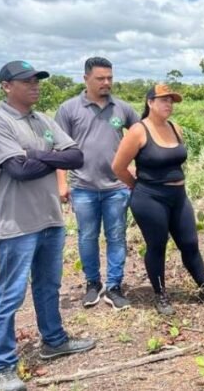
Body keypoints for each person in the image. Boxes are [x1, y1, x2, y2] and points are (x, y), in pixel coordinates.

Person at [0, 61, 95, 391]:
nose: (35, 85)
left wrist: (34, 154)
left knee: (48, 286)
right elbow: (18, 170)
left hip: (50, 218)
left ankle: (54, 340)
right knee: (9, 295)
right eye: (26, 81)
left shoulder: (43, 120)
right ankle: (4, 367)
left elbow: (76, 157)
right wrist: (44, 157)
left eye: (36, 80)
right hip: (17, 223)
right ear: (6, 85)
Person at [112, 84, 204, 316]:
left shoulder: (175, 128)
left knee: (190, 243)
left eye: (171, 101)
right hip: (150, 198)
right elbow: (118, 167)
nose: (168, 105)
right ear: (150, 102)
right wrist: (137, 186)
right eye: (163, 100)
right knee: (157, 245)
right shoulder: (138, 131)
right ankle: (160, 294)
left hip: (178, 196)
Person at [55, 57, 139, 310]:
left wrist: (134, 169)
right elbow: (58, 150)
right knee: (87, 237)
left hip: (116, 188)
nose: (106, 83)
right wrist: (61, 183)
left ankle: (114, 286)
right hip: (83, 187)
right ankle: (93, 284)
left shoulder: (122, 109)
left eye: (110, 78)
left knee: (117, 236)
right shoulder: (69, 109)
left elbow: (144, 136)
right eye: (100, 78)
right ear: (86, 79)